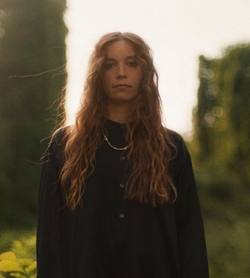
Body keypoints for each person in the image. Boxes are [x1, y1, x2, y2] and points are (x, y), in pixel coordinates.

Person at [36, 32, 209, 278]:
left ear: (145, 73)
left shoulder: (171, 147)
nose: (121, 73)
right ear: (98, 74)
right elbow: (49, 238)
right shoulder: (65, 146)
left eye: (131, 63)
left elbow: (190, 236)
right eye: (109, 64)